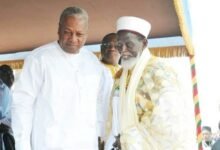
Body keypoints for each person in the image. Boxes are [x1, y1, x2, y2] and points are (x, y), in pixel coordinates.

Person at [12, 6, 112, 150]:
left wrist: (102, 136)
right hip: (48, 143)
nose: (73, 39)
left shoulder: (93, 63)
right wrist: (23, 146)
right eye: (67, 32)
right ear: (59, 29)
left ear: (86, 34)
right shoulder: (39, 59)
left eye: (79, 34)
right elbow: (22, 105)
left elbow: (100, 104)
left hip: (85, 144)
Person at [104, 16, 192, 150]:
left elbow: (169, 123)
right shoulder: (120, 76)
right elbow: (112, 117)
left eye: (129, 44)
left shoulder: (159, 72)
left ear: (144, 43)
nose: (123, 50)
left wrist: (128, 140)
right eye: (119, 45)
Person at [0, 64, 15, 150]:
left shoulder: (11, 93)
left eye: (11, 73)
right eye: (6, 73)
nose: (10, 75)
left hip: (9, 135)